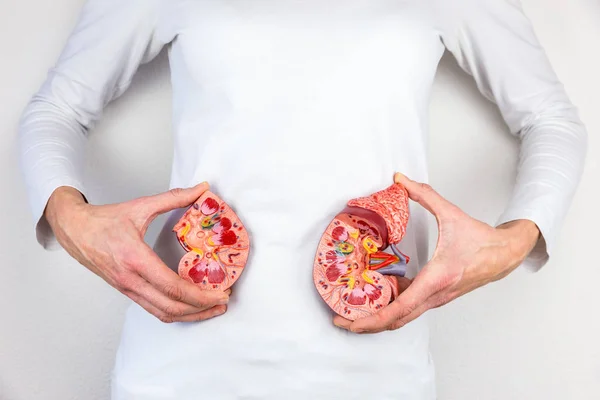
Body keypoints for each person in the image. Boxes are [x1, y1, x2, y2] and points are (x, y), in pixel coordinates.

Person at [17, 0, 588, 399]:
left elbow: (551, 119)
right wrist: (71, 218)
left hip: (375, 372)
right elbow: (57, 109)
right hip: (179, 371)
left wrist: (514, 240)